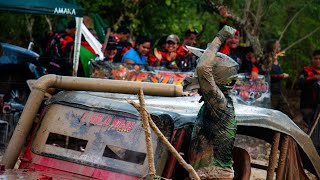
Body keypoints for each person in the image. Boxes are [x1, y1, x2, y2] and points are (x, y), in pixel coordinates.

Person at [183, 25, 238, 179]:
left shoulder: (219, 103)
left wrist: (220, 36)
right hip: (204, 173)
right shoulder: (215, 103)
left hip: (213, 175)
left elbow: (203, 68)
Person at [260, 39, 293, 118]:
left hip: (278, 91)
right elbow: (265, 75)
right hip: (270, 92)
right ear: (273, 47)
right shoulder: (267, 58)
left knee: (287, 114)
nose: (280, 47)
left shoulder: (276, 59)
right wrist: (280, 76)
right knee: (270, 114)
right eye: (278, 45)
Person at [299, 50, 320, 153]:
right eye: (316, 58)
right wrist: (313, 78)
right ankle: (308, 150)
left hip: (318, 107)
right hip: (308, 106)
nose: (318, 61)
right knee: (310, 127)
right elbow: (301, 83)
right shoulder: (306, 71)